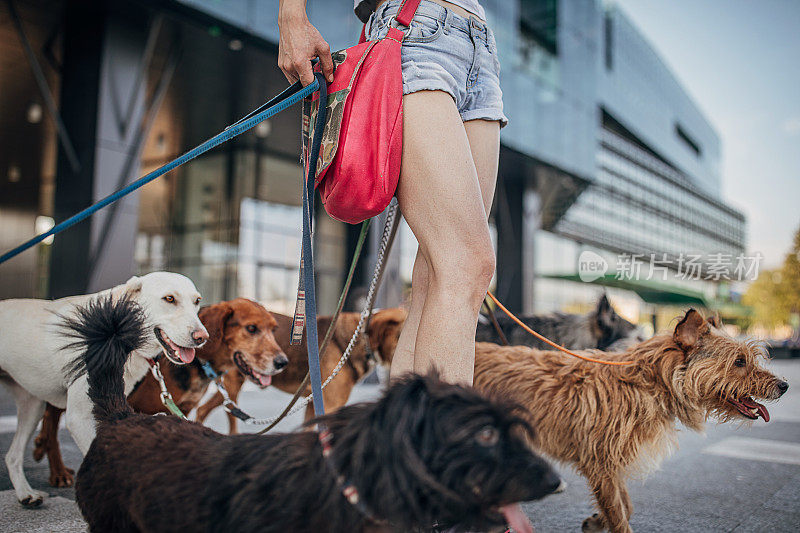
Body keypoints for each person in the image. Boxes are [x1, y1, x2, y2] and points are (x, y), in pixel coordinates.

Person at [278, 0, 505, 387]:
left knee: (440, 273)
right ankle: (442, 442)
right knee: (467, 264)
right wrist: (291, 18)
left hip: (481, 49)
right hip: (417, 31)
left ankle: (402, 443)